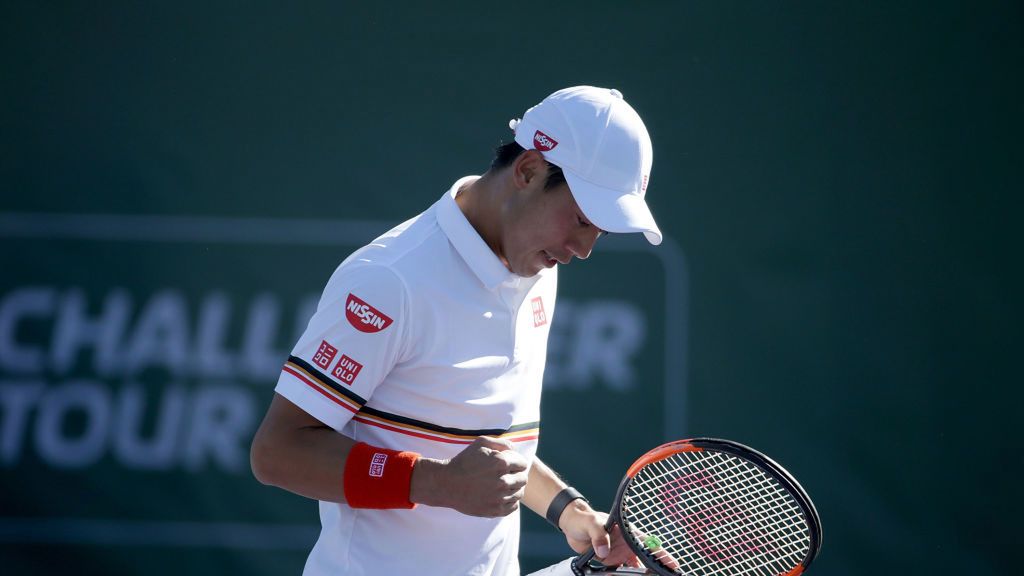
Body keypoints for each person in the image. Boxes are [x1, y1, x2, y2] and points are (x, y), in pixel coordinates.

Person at [250, 85, 663, 576]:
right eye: (581, 219)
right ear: (528, 171)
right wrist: (436, 483)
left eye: (601, 231)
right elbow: (277, 452)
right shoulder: (390, 280)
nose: (585, 248)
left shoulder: (538, 268)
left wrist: (568, 510)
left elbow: (488, 443)